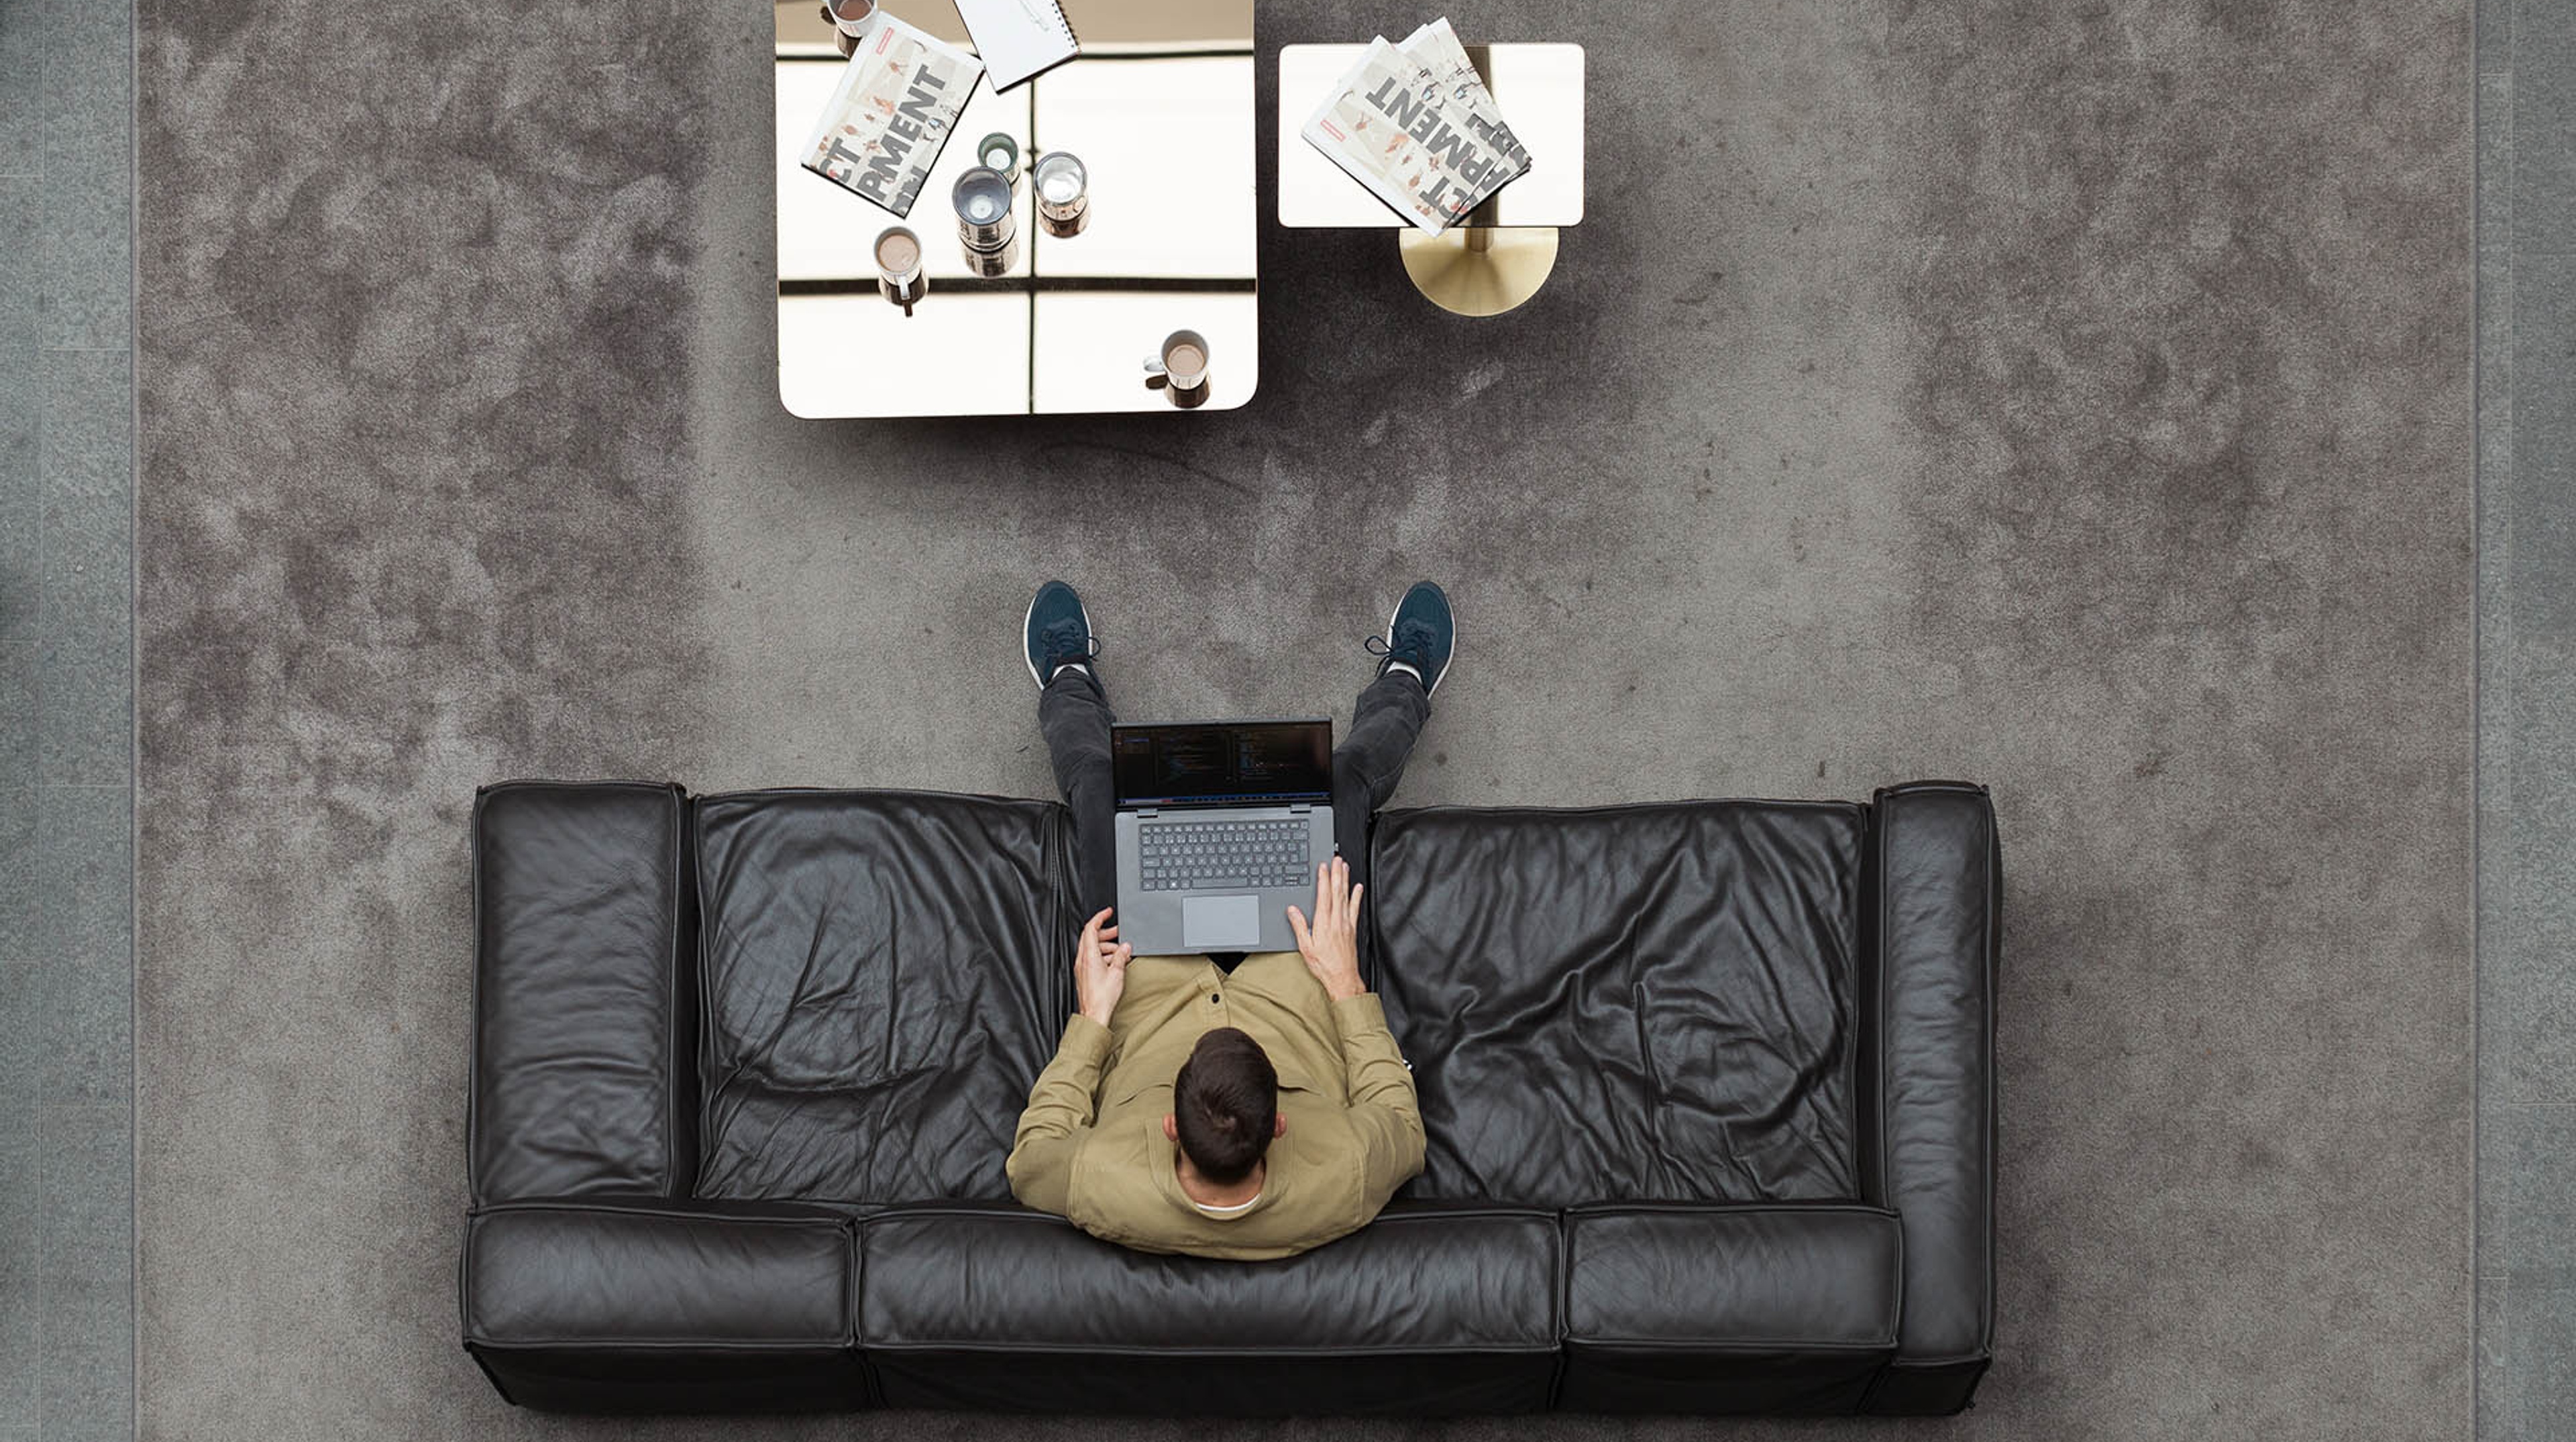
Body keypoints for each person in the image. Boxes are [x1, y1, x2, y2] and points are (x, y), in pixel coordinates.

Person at [1005, 579, 1456, 1260]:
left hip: (1145, 973)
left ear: (1167, 1125)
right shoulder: (1349, 1177)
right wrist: (1345, 986)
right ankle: (1405, 680)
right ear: (1280, 1125)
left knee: (1101, 782)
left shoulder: (1101, 1184)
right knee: (1342, 780)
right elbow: (1402, 1124)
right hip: (1304, 968)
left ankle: (1068, 679)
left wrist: (1092, 1020)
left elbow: (1032, 1159)